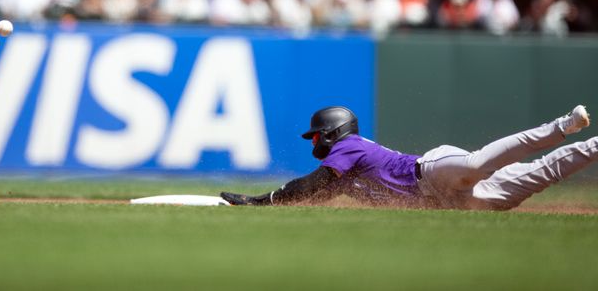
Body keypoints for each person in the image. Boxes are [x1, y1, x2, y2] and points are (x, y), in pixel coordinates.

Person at [220, 104, 594, 211]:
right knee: (539, 176)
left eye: (316, 135)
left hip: (430, 173)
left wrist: (261, 201)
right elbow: (313, 194)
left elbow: (311, 183)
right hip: (450, 203)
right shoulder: (345, 175)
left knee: (479, 164)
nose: (313, 141)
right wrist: (277, 205)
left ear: (332, 134)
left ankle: (562, 125)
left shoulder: (349, 148)